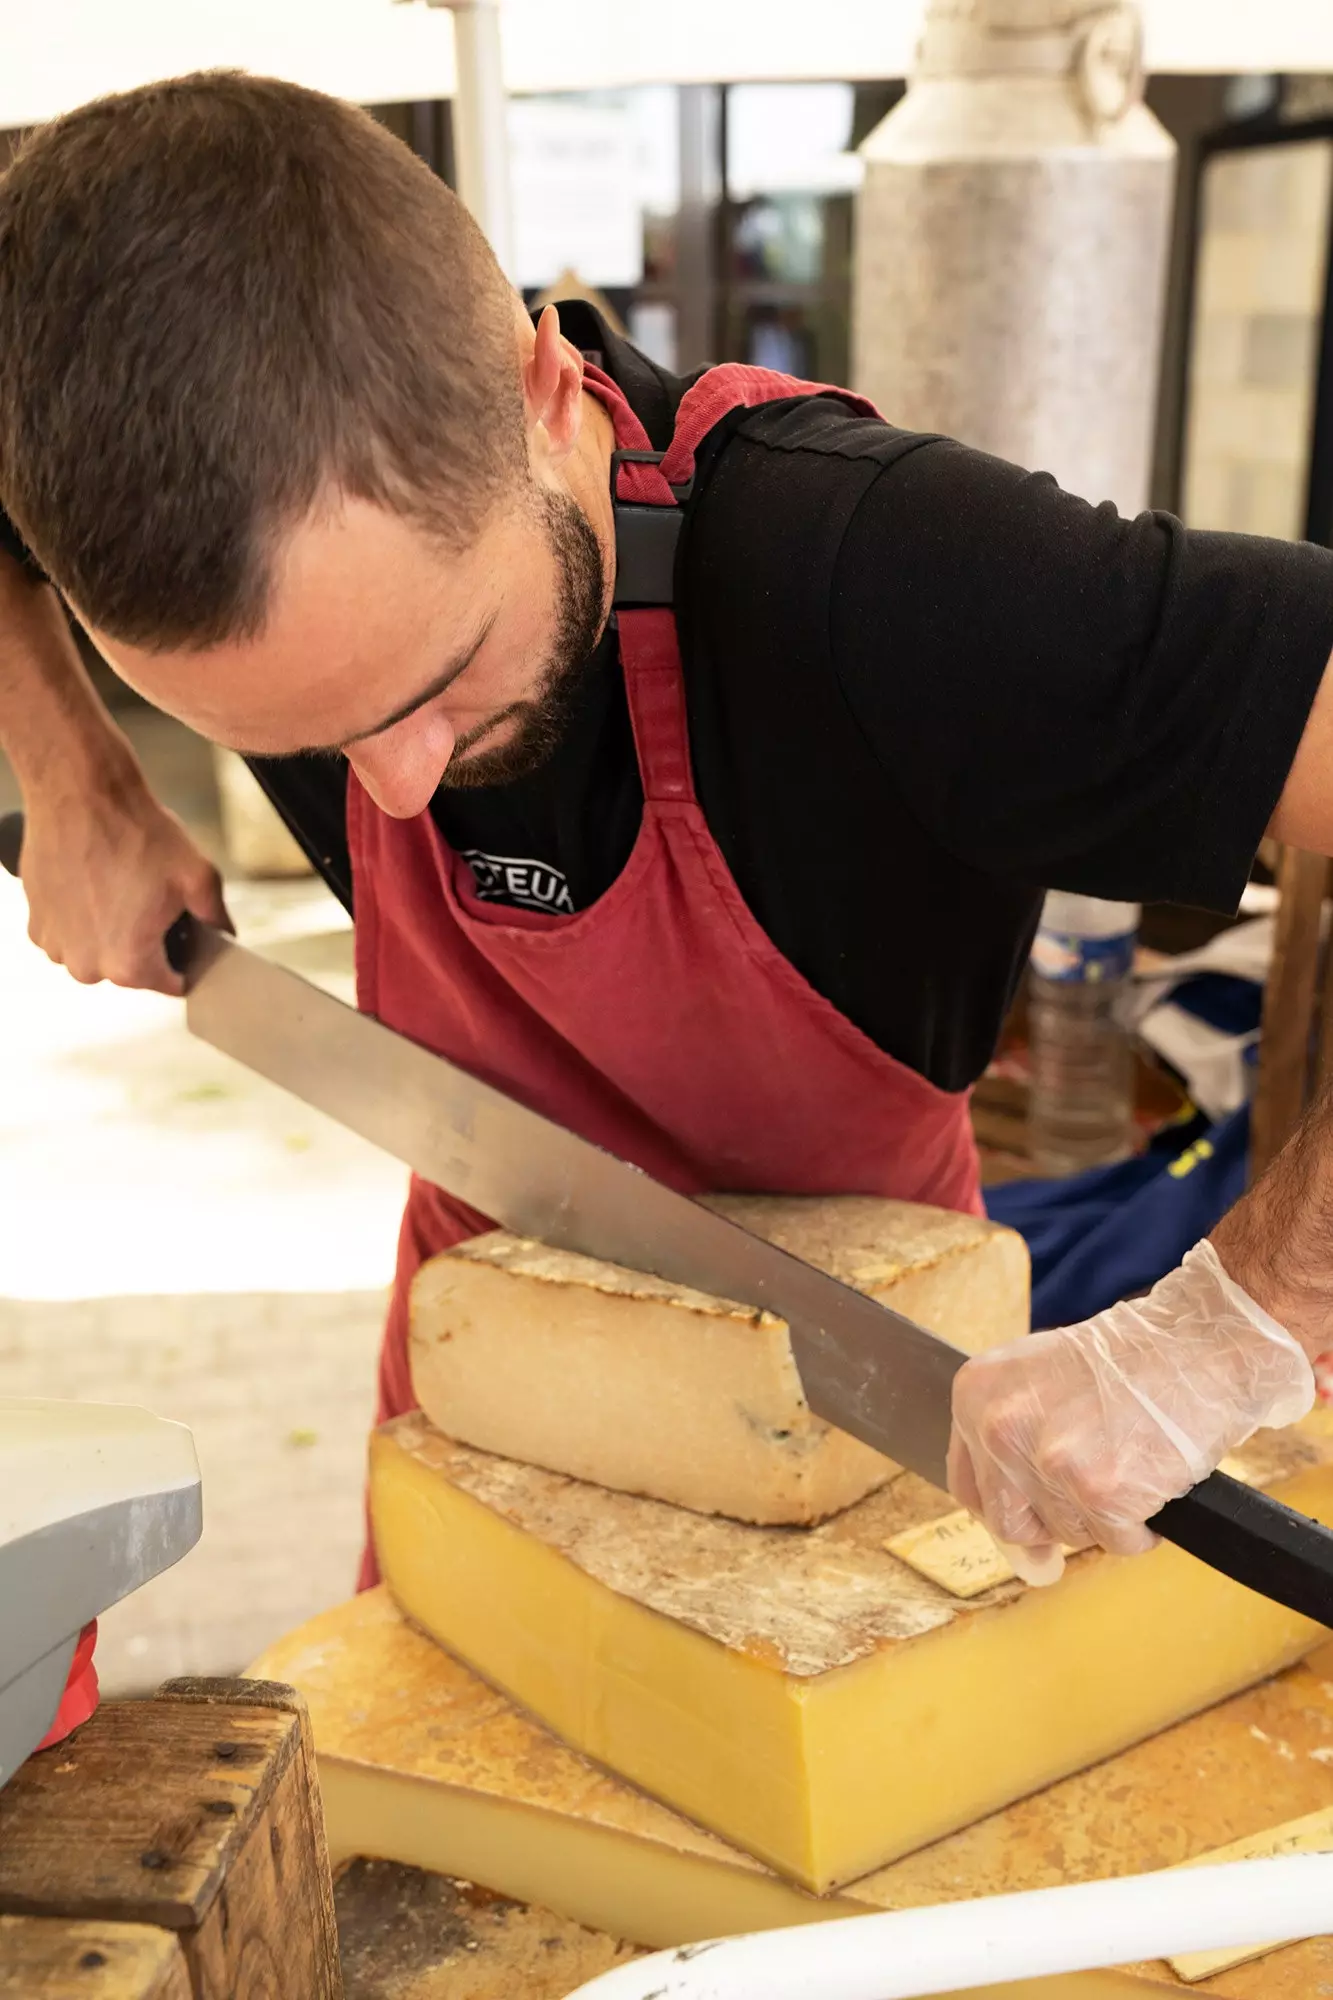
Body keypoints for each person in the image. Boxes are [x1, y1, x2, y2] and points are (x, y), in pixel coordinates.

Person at [1, 74, 1331, 1588]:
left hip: (874, 1410)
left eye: (438, 686)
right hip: (491, 1337)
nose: (395, 793)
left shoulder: (881, 575)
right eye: (298, 743)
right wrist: (73, 767)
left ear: (545, 393)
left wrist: (1245, 1319)